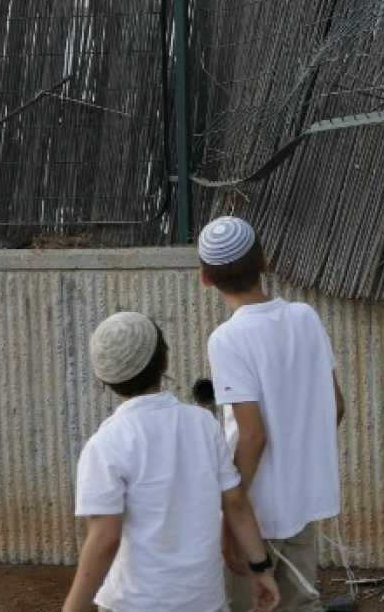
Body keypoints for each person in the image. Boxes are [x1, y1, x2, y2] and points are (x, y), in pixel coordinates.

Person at [63, 312, 280, 612]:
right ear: (165, 360)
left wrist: (73, 607)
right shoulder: (203, 424)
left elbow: (104, 538)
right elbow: (235, 502)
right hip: (204, 601)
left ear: (104, 378)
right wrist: (261, 568)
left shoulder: (106, 444)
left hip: (135, 603)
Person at [198, 216, 344, 612]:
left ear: (205, 278)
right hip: (302, 501)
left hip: (255, 509)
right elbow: (336, 405)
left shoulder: (227, 339)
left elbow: (253, 436)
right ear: (265, 259)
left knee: (248, 603)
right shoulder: (305, 317)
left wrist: (232, 512)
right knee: (301, 603)